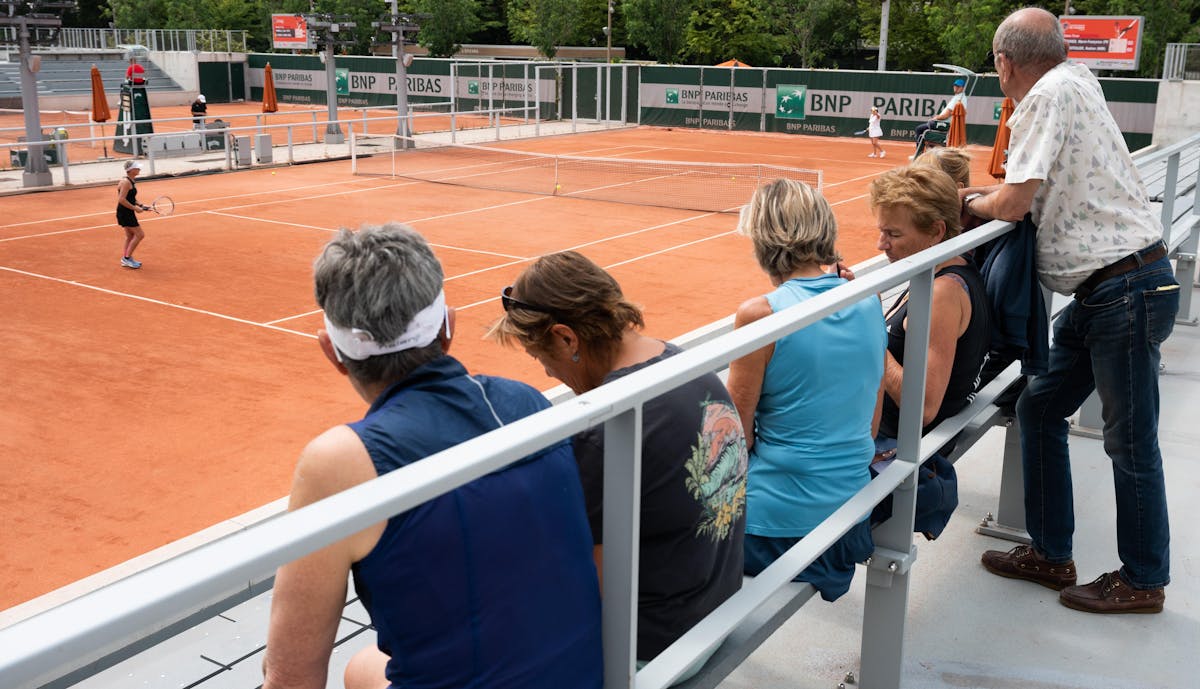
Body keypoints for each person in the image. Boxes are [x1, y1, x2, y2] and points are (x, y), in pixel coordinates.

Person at [263, 224, 603, 689]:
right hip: (580, 677)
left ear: (333, 353)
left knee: (360, 667)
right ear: (448, 328)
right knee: (363, 668)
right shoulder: (527, 402)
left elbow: (291, 679)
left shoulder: (339, 463)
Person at [965, 7, 1180, 614]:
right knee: (1039, 407)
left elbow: (1013, 201)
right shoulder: (1080, 78)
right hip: (1111, 290)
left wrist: (967, 200)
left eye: (998, 66)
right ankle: (1051, 552)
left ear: (1005, 62)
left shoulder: (1044, 96)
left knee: (1130, 443)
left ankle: (1143, 579)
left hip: (1123, 291)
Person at [488, 251, 748, 680]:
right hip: (715, 610)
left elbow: (586, 592)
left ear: (567, 338)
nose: (550, 374)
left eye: (541, 357)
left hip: (653, 647)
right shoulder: (684, 363)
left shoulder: (608, 427)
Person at [725, 178, 885, 600]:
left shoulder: (759, 315)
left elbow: (735, 438)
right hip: (852, 519)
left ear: (763, 239)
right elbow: (870, 425)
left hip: (774, 534)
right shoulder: (867, 299)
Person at [869, 165, 991, 539]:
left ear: (937, 231)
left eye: (893, 234)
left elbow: (923, 407)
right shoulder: (937, 274)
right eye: (881, 231)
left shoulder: (941, 295)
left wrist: (870, 329)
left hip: (897, 447)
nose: (881, 245)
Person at [911, 78, 966, 157]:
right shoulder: (961, 97)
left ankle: (919, 154)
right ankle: (929, 151)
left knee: (919, 129)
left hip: (944, 123)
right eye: (955, 86)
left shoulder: (958, 98)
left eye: (958, 86)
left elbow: (946, 115)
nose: (956, 87)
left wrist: (936, 118)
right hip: (946, 123)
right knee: (926, 129)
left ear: (963, 88)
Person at [115, 160, 146, 269]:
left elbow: (131, 197)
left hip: (127, 211)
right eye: (137, 168)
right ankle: (127, 259)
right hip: (125, 212)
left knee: (130, 236)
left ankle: (126, 258)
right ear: (131, 170)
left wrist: (140, 205)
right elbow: (122, 199)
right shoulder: (126, 182)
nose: (139, 169)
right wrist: (135, 208)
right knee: (140, 235)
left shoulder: (131, 181)